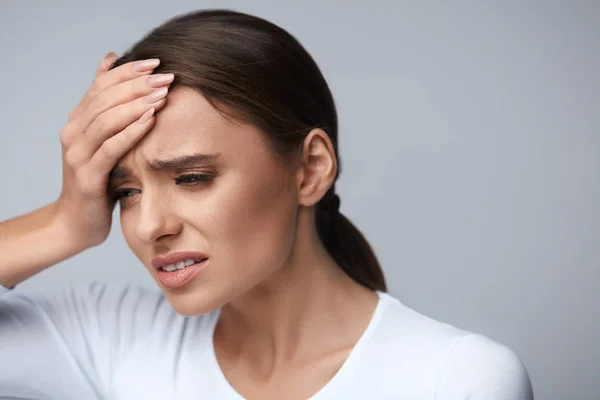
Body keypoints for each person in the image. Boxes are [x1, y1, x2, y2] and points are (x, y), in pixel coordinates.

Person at [0, 9, 533, 400]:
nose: (148, 227)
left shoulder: (455, 378)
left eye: (191, 177)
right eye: (127, 192)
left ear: (311, 169)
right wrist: (65, 223)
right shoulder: (112, 338)